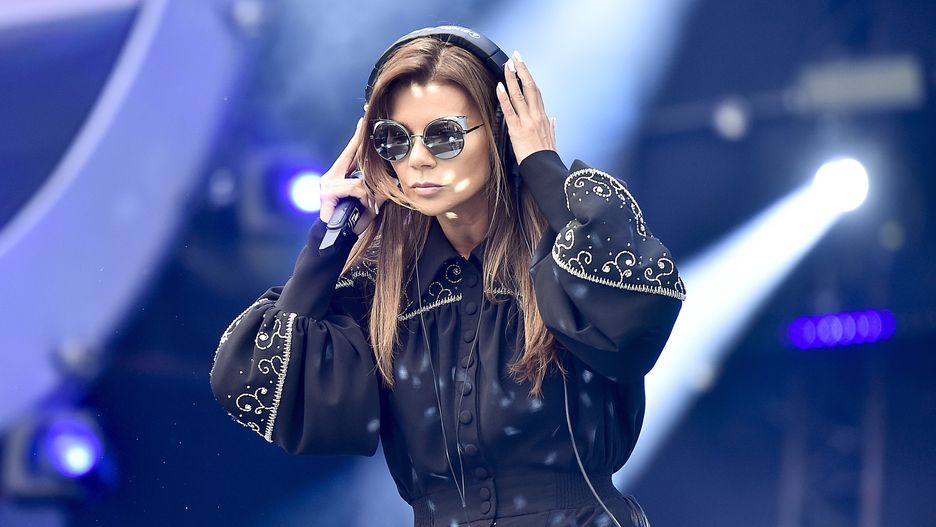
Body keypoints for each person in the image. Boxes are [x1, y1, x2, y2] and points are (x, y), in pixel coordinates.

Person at [210, 26, 685, 527]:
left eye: (444, 135)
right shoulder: (382, 291)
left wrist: (541, 163)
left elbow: (632, 317)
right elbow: (257, 384)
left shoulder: (565, 253)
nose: (418, 158)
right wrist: (332, 238)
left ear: (500, 131)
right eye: (394, 139)